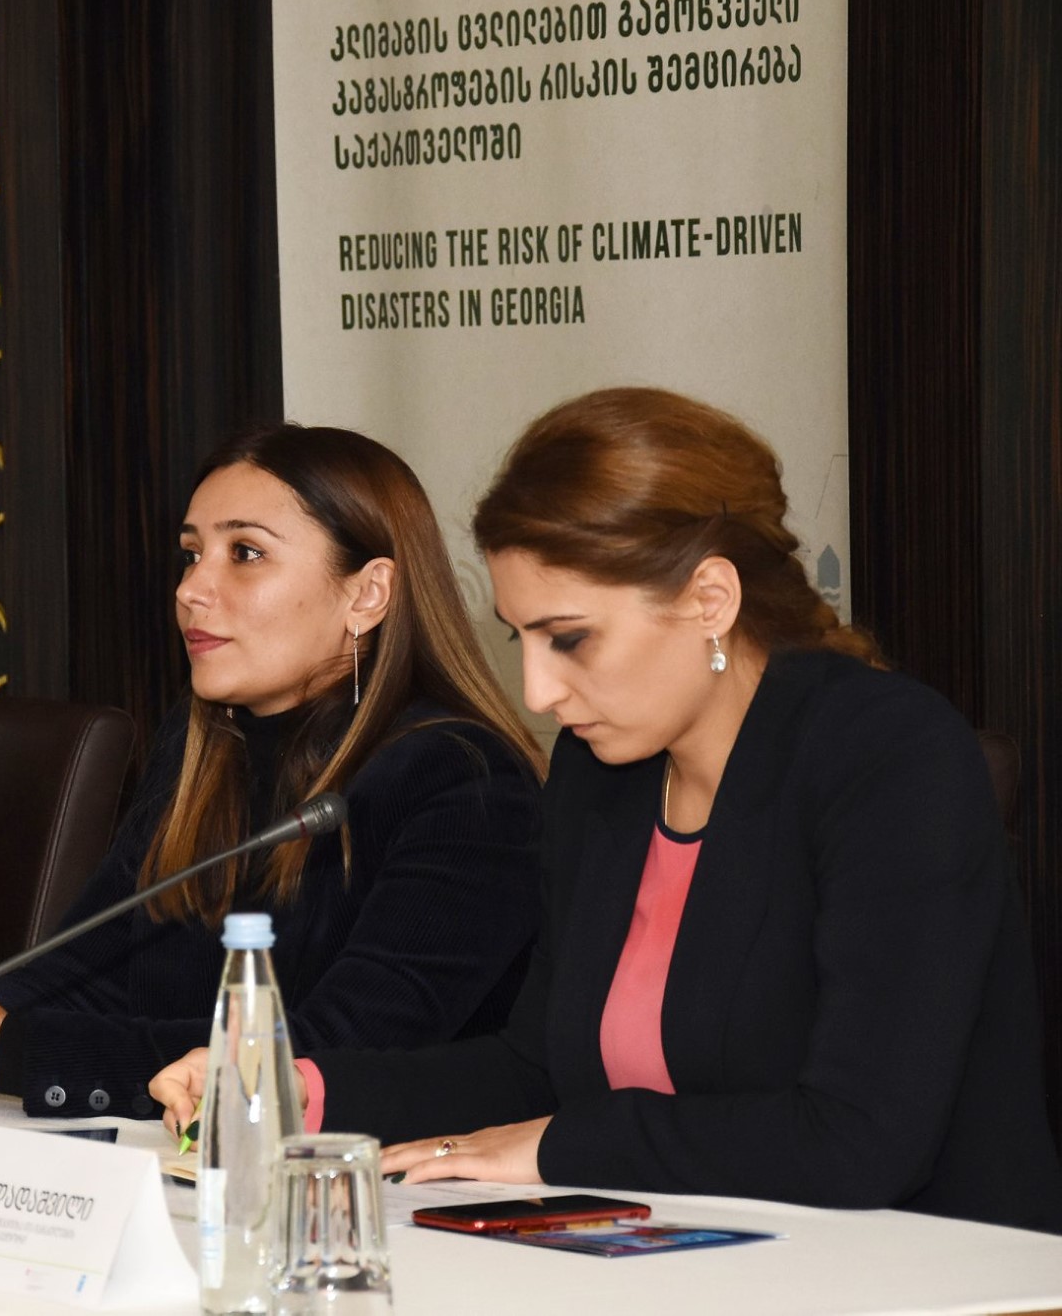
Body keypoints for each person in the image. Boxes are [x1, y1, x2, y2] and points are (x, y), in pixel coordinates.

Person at [151, 388, 1062, 1233]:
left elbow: (860, 1141)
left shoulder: (889, 758)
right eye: (522, 638)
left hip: (926, 1274)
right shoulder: (603, 773)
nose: (538, 692)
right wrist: (298, 1088)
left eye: (571, 639)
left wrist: (559, 1147)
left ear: (709, 599)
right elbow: (539, 1066)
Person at [0, 424, 544, 1117]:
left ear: (368, 594)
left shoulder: (465, 780)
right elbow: (85, 977)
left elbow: (338, 1050)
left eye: (246, 553)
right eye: (192, 554)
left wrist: (8, 1045)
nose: (192, 589)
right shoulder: (206, 746)